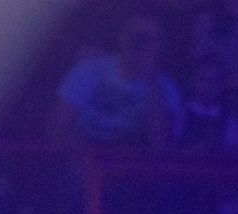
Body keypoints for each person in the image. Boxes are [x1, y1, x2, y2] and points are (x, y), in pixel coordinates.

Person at [52, 13, 181, 149]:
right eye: (135, 37)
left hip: (130, 164)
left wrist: (154, 86)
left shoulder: (167, 89)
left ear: (160, 45)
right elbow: (56, 131)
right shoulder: (90, 70)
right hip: (81, 157)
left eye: (148, 39)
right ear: (121, 38)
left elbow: (163, 147)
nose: (139, 44)